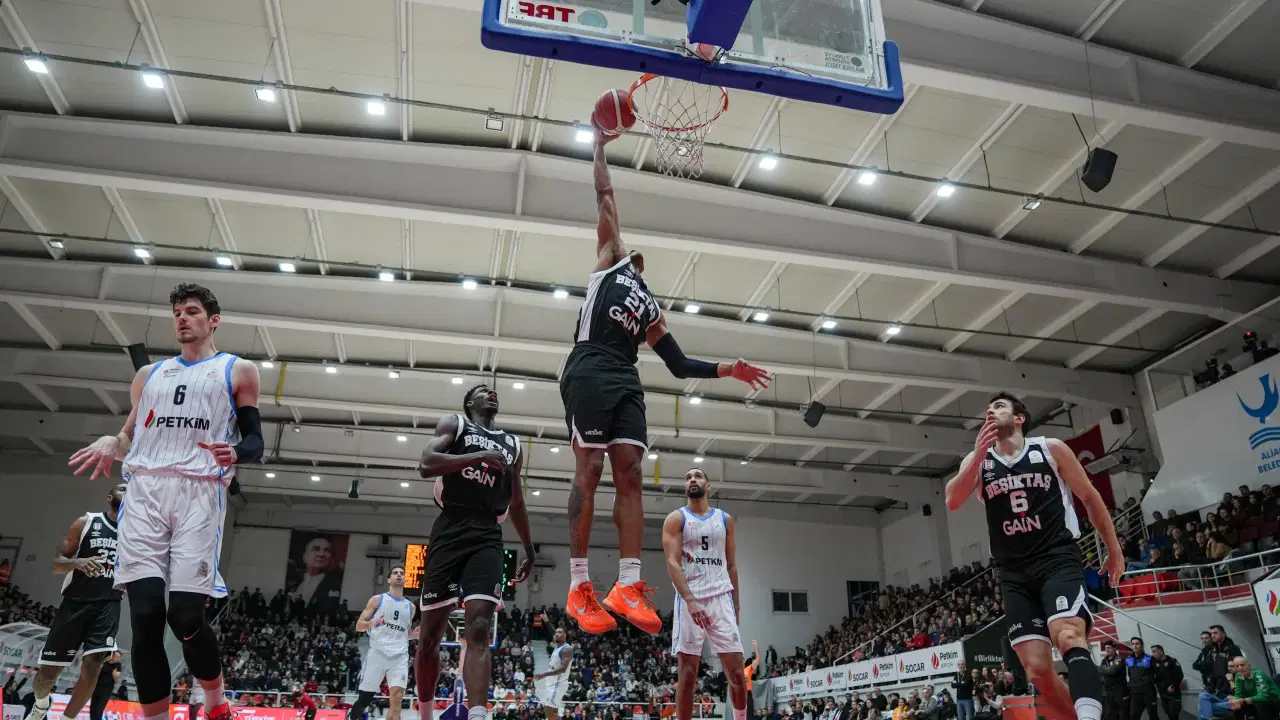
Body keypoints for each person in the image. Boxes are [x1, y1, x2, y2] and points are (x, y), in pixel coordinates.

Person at [561, 135, 772, 635]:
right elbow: (604, 194)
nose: (635, 258)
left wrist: (727, 370)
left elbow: (676, 364)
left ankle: (628, 584)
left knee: (630, 471)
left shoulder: (651, 307)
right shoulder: (610, 258)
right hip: (590, 364)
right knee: (589, 467)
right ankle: (578, 585)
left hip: (626, 377)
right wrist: (597, 144)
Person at [67, 282, 263, 720]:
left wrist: (238, 452)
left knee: (186, 618)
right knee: (145, 618)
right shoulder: (149, 376)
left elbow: (255, 440)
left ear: (213, 320)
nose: (181, 318)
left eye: (191, 311)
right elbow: (127, 438)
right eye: (177, 312)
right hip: (145, 495)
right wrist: (109, 441)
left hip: (198, 493)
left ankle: (215, 700)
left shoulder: (237, 370)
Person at [944, 392, 1123, 720]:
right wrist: (977, 454)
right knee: (1037, 669)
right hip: (1013, 572)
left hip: (1056, 558)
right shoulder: (978, 462)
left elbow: (1089, 495)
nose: (990, 412)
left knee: (1068, 635)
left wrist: (1113, 548)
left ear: (1019, 418)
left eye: (998, 407)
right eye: (987, 410)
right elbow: (952, 500)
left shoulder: (1050, 448)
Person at [414, 384, 536, 720]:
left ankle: (479, 714)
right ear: (470, 403)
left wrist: (529, 547)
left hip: (487, 533)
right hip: (450, 527)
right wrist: (478, 457)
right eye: (483, 391)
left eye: (494, 391)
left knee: (480, 625)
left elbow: (516, 500)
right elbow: (425, 463)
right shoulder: (455, 424)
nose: (491, 393)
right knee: (429, 639)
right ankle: (425, 715)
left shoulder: (512, 444)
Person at [25, 484, 126, 720]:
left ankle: (67, 718)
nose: (128, 488)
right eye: (122, 486)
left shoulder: (135, 534)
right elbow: (56, 564)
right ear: (109, 497)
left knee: (93, 665)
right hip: (75, 604)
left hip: (108, 605)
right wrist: (78, 563)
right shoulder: (87, 522)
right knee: (47, 676)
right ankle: (41, 705)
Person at [661, 468, 749, 720]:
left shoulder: (725, 519)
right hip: (691, 598)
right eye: (687, 477)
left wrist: (736, 606)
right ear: (684, 486)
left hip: (721, 598)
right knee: (688, 674)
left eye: (697, 476)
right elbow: (672, 563)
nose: (692, 480)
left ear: (708, 485)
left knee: (737, 674)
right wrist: (690, 600)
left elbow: (731, 565)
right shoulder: (676, 519)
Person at [349, 565, 415, 720]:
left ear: (405, 579)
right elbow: (359, 626)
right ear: (388, 579)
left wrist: (414, 635)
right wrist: (371, 623)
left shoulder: (411, 607)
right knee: (364, 699)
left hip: (399, 656)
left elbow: (405, 633)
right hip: (377, 654)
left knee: (397, 700)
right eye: (395, 573)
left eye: (402, 573)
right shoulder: (378, 599)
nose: (399, 575)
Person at [288, 536, 344, 609]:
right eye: (316, 549)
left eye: (327, 550)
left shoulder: (335, 582)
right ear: (304, 555)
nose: (321, 554)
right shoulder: (293, 577)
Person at [533, 628, 573, 720]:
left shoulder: (566, 649)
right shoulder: (557, 646)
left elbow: (563, 669)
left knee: (549, 712)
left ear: (565, 635)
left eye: (560, 632)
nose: (557, 634)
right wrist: (546, 621)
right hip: (552, 683)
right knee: (552, 713)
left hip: (558, 684)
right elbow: (552, 631)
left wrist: (544, 675)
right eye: (556, 633)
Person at [1126, 637, 1157, 720]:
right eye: (1133, 644)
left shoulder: (1149, 659)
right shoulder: (1128, 659)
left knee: (1153, 716)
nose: (1135, 646)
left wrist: (1149, 683)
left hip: (1148, 693)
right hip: (1135, 694)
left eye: (1137, 644)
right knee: (1133, 716)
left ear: (1142, 645)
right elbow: (1130, 675)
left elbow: (1158, 674)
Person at [89, 651, 123, 720]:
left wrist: (114, 674)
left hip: (107, 689)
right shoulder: (104, 663)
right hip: (97, 687)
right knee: (93, 707)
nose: (117, 659)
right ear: (112, 656)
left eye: (119, 657)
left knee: (99, 708)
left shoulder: (118, 665)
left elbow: (116, 677)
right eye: (116, 657)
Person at [1152, 645, 1183, 720]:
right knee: (1169, 715)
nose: (1153, 654)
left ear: (1161, 652)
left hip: (1174, 695)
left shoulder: (1172, 661)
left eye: (1154, 652)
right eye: (1152, 652)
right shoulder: (1154, 663)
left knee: (1173, 716)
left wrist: (1173, 685)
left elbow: (1179, 675)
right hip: (1163, 695)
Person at [1098, 641, 1127, 720]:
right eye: (1105, 648)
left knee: (1123, 714)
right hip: (1108, 691)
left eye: (1109, 648)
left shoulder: (1119, 659)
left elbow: (1111, 670)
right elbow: (1101, 675)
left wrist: (1098, 668)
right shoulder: (1104, 660)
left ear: (1114, 648)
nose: (1106, 650)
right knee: (1110, 714)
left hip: (1119, 690)